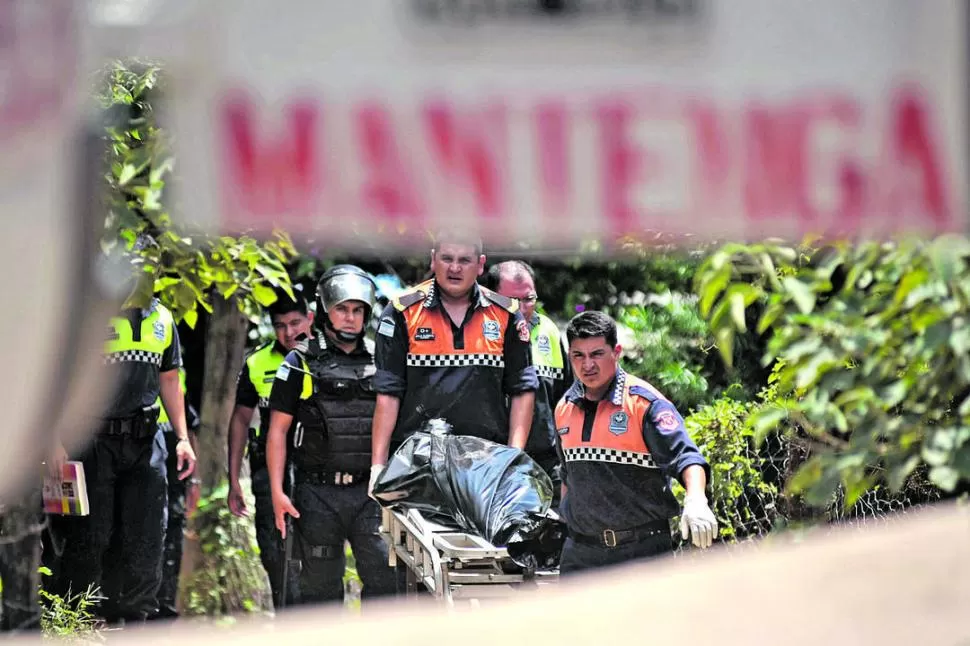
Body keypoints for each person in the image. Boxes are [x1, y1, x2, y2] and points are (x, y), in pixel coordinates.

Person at [44, 239, 197, 624]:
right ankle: (79, 622)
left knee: (147, 539)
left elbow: (170, 379)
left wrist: (181, 437)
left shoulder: (162, 318)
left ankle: (134, 623)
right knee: (89, 538)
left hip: (147, 443)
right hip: (93, 441)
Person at [267, 265, 398, 605]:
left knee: (385, 583)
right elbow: (278, 431)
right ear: (326, 309)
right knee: (319, 591)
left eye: (357, 310)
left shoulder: (383, 358)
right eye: (342, 308)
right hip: (317, 493)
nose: (350, 318)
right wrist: (277, 493)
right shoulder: (300, 360)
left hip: (371, 493)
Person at [370, 231, 539, 493]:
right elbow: (388, 393)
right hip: (415, 466)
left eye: (465, 260)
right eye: (447, 258)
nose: (455, 268)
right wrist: (378, 467)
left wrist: (513, 458)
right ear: (433, 260)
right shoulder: (402, 311)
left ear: (480, 264)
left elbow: (523, 390)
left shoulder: (506, 314)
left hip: (486, 467)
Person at [554, 310, 717, 575]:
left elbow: (687, 458)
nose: (587, 365)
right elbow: (567, 476)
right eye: (578, 356)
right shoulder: (563, 408)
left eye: (597, 354)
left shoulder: (644, 404)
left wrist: (696, 499)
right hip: (580, 555)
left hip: (640, 553)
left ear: (616, 352)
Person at [227, 287, 313, 609]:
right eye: (280, 325)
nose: (289, 332)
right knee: (278, 561)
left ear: (310, 319)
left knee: (317, 563)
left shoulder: (323, 361)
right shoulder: (256, 362)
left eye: (295, 322)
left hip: (315, 474)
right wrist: (234, 479)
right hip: (268, 477)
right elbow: (240, 420)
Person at [486, 260, 572, 509]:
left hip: (547, 466)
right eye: (513, 300)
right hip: (494, 465)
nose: (523, 308)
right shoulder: (479, 333)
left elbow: (566, 397)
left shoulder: (549, 331)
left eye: (529, 298)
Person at [153, 366, 201, 619]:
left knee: (172, 541)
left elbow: (191, 429)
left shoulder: (174, 377)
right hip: (141, 468)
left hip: (175, 479)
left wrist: (195, 481)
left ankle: (166, 606)